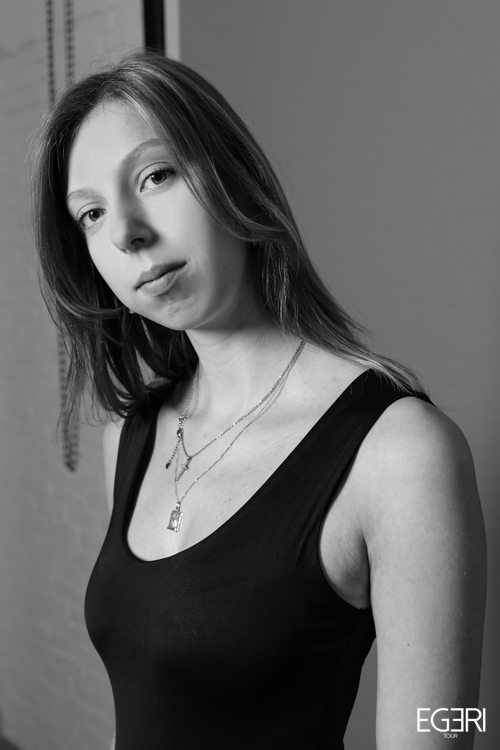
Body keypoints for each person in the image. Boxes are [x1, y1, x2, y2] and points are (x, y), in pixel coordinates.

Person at [31, 51, 486, 750]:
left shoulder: (402, 454)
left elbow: (448, 725)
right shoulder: (128, 436)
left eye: (156, 175)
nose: (125, 232)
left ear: (231, 175)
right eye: (90, 213)